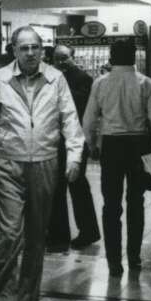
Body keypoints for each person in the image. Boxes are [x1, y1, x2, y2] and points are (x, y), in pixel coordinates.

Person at [0, 26, 84, 301]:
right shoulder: (0, 80)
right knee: (8, 236)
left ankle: (28, 300)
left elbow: (70, 119)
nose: (30, 53)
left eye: (35, 47)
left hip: (44, 162)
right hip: (8, 163)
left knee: (38, 235)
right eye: (23, 48)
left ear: (43, 50)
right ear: (13, 50)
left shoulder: (55, 78)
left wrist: (75, 156)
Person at [82, 40, 151, 276]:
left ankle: (114, 261)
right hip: (138, 144)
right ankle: (134, 257)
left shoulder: (100, 83)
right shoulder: (146, 83)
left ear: (111, 57)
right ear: (134, 57)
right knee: (136, 202)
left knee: (111, 204)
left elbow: (89, 119)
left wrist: (93, 144)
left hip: (112, 145)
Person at [48, 45, 101, 252]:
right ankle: (61, 234)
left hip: (74, 139)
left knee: (76, 185)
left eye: (64, 58)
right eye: (57, 58)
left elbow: (80, 110)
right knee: (58, 188)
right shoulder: (52, 78)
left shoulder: (83, 79)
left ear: (73, 57)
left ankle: (86, 232)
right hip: (56, 139)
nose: (60, 62)